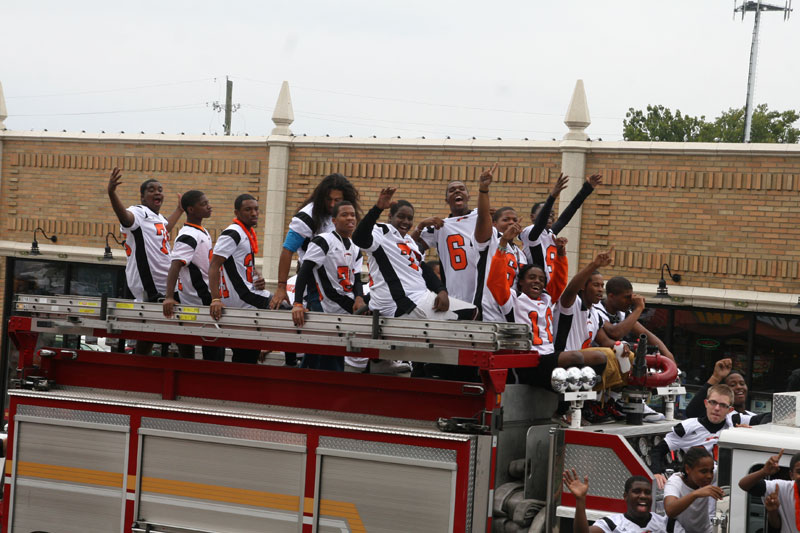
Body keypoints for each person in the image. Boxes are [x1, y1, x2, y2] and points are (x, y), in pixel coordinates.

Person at [352, 188, 476, 373]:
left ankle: (387, 360)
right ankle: (425, 367)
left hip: (420, 297)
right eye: (401, 217)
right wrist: (377, 208)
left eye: (409, 218)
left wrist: (442, 291)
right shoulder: (381, 231)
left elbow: (425, 270)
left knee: (472, 312)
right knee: (462, 319)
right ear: (391, 217)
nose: (406, 222)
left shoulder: (409, 242)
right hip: (399, 303)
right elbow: (359, 237)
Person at [487, 225, 584, 386]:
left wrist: (561, 255)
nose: (537, 281)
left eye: (541, 279)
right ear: (521, 282)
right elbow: (495, 281)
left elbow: (559, 282)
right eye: (532, 277)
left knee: (598, 358)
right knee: (576, 358)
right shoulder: (513, 299)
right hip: (530, 358)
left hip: (548, 356)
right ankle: (564, 406)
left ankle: (581, 405)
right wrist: (503, 242)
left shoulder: (546, 299)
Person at [107, 167, 183, 355]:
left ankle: (140, 364)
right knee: (181, 326)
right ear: (142, 197)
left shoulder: (156, 218)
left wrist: (179, 210)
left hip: (163, 284)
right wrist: (111, 193)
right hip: (149, 284)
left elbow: (166, 227)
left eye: (160, 189)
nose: (157, 192)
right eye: (152, 189)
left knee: (152, 331)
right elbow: (125, 218)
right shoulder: (138, 212)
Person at [291, 200, 366, 371]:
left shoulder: (355, 247)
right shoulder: (323, 241)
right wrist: (297, 303)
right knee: (327, 358)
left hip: (344, 304)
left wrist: (359, 298)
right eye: (344, 215)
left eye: (353, 215)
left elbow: (356, 278)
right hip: (323, 304)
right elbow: (304, 272)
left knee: (329, 354)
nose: (350, 218)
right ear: (334, 220)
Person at [271, 173, 361, 309]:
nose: (332, 204)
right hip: (316, 281)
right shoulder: (307, 217)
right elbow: (288, 249)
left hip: (341, 280)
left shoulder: (346, 215)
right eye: (328, 199)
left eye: (337, 200)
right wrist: (281, 287)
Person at [208, 194, 277, 363]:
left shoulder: (247, 232)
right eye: (248, 209)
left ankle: (238, 386)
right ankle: (291, 364)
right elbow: (214, 265)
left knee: (246, 356)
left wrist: (257, 277)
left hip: (248, 294)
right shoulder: (233, 233)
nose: (254, 213)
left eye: (256, 209)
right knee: (286, 311)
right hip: (242, 297)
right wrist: (215, 298)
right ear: (237, 212)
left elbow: (242, 266)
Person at [162, 190, 222, 361]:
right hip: (199, 299)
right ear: (191, 209)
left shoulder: (201, 231)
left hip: (205, 297)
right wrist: (169, 297)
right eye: (203, 204)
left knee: (212, 350)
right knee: (212, 349)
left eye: (208, 202)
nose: (209, 206)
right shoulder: (188, 234)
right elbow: (175, 265)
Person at [411, 179, 482, 307]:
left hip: (483, 291)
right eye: (452, 190)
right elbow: (410, 248)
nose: (457, 191)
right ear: (446, 200)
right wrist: (420, 226)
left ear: (468, 196)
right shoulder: (440, 227)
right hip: (455, 294)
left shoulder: (480, 217)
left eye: (461, 188)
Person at [650, 384, 735, 489]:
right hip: (694, 488)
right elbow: (657, 450)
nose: (717, 408)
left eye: (723, 405)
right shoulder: (688, 427)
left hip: (724, 488)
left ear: (730, 410)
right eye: (713, 402)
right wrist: (656, 472)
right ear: (706, 403)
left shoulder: (735, 426)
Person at [521, 173, 602, 283]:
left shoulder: (550, 233)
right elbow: (540, 223)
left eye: (552, 214)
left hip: (548, 288)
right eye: (546, 213)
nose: (550, 215)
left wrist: (587, 188)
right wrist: (552, 197)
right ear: (533, 217)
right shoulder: (530, 233)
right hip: (532, 286)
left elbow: (570, 210)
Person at [473, 163, 528, 322]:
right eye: (506, 220)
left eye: (514, 220)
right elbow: (483, 217)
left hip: (511, 311)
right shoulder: (490, 240)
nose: (511, 223)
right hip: (487, 311)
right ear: (495, 224)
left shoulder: (520, 253)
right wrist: (484, 189)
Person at [563, 470, 684, 532]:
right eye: (637, 491)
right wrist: (580, 500)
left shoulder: (667, 525)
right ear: (625, 496)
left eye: (647, 492)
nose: (643, 496)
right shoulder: (611, 524)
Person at [594, 276, 674, 362]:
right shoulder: (596, 310)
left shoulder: (623, 313)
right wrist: (639, 308)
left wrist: (668, 355)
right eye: (626, 297)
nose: (630, 301)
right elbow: (615, 333)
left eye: (630, 297)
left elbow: (645, 333)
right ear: (611, 296)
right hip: (595, 361)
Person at [685, 358, 769, 425]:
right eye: (732, 385)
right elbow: (692, 412)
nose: (739, 387)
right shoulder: (722, 416)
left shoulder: (750, 416)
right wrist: (715, 378)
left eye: (742, 383)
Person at [663, 446, 723, 533]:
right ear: (688, 469)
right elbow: (670, 510)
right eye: (703, 471)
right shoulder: (675, 482)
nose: (709, 476)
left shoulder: (705, 477)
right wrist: (695, 494)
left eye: (711, 470)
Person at [739, 448, 799, 533]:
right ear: (791, 475)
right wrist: (763, 472)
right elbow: (744, 485)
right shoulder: (781, 488)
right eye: (799, 471)